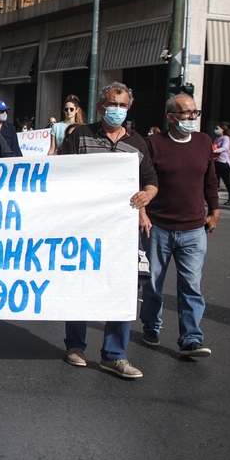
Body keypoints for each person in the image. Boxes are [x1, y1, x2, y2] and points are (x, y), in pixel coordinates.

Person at [57, 82, 159, 379]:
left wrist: (146, 197)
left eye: (123, 105)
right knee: (80, 282)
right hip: (84, 225)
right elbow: (60, 172)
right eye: (113, 104)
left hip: (121, 230)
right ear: (100, 107)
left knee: (121, 288)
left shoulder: (138, 142)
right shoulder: (80, 135)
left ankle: (114, 355)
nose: (118, 110)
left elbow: (150, 179)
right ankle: (75, 346)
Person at [139, 93, 220, 359]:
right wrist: (143, 213)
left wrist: (215, 211)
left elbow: (210, 180)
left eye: (195, 112)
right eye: (186, 113)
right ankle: (151, 325)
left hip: (194, 229)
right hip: (158, 228)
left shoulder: (204, 141)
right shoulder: (153, 144)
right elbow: (142, 181)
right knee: (153, 284)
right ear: (171, 117)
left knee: (191, 286)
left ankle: (191, 339)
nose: (192, 117)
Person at [214, 122, 230, 205]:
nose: (216, 130)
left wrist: (215, 151)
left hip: (223, 163)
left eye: (217, 128)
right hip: (216, 161)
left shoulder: (226, 138)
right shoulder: (217, 138)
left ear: (222, 129)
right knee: (214, 181)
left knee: (227, 181)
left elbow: (225, 148)